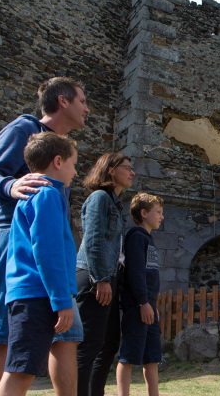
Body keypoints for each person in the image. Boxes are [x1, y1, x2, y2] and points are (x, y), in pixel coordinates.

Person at [0, 77, 89, 396]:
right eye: (82, 100)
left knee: (68, 334)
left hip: (50, 258)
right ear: (63, 101)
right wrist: (9, 186)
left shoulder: (62, 152)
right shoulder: (23, 129)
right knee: (0, 332)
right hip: (13, 239)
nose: (87, 108)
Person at [0, 132, 82, 396]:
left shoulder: (38, 196)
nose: (75, 172)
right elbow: (48, 252)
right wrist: (61, 300)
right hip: (38, 295)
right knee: (21, 371)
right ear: (58, 161)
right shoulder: (47, 196)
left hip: (33, 294)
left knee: (23, 368)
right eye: (73, 164)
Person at [76, 152, 135, 396]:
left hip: (108, 277)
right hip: (93, 276)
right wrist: (100, 279)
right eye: (127, 167)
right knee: (88, 345)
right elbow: (93, 240)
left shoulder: (116, 203)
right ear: (111, 170)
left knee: (108, 344)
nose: (132, 172)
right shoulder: (100, 198)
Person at [116, 193, 164, 396]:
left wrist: (153, 304)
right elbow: (135, 272)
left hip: (148, 305)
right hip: (137, 306)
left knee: (152, 356)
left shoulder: (148, 238)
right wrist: (143, 302)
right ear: (144, 213)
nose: (162, 217)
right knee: (128, 355)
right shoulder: (136, 237)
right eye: (158, 212)